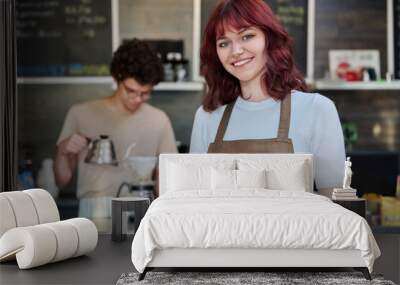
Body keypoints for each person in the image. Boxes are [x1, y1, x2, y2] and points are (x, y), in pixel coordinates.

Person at [190, 0, 345, 190]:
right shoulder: (206, 117)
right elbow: (195, 202)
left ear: (268, 38)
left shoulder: (317, 110)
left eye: (247, 36)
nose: (236, 51)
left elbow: (335, 203)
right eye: (224, 43)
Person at [54, 38, 177, 231]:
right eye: (131, 91)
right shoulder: (81, 113)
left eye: (145, 93)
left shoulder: (159, 120)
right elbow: (61, 181)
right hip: (94, 211)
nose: (137, 99)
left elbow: (166, 182)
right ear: (117, 78)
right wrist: (63, 151)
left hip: (142, 211)